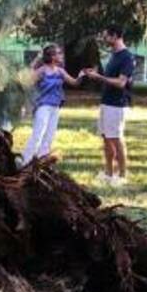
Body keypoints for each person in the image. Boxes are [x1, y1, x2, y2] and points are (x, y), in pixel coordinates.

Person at [81, 27, 135, 187]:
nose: (104, 39)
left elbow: (121, 82)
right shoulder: (114, 55)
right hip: (106, 102)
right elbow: (109, 78)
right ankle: (109, 173)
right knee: (106, 138)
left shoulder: (127, 57)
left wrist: (99, 77)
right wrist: (96, 74)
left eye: (107, 37)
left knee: (116, 138)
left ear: (116, 36)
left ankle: (122, 175)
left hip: (117, 104)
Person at [21, 44, 80, 164]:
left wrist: (83, 75)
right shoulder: (42, 70)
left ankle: (43, 160)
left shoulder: (60, 71)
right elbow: (27, 83)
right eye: (59, 53)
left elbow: (74, 82)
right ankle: (25, 160)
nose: (61, 55)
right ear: (52, 56)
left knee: (49, 135)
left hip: (55, 107)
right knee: (38, 133)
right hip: (43, 107)